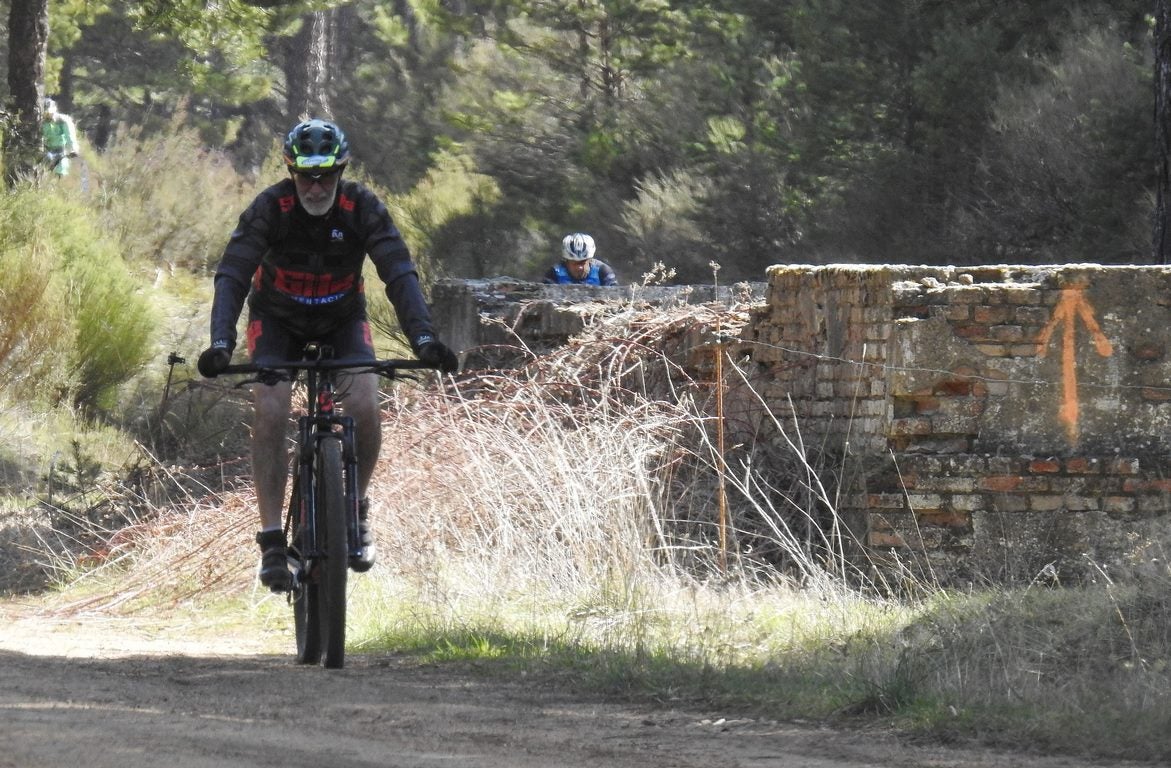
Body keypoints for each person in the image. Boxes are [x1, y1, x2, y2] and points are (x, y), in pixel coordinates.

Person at [196, 117, 459, 591]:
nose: (315, 187)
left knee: (364, 403)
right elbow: (233, 275)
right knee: (271, 408)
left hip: (341, 319)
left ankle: (355, 508)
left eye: (326, 176)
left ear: (341, 172)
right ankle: (273, 541)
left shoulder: (362, 206)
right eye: (305, 176)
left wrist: (423, 339)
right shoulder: (269, 208)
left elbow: (398, 272)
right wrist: (221, 342)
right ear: (290, 172)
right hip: (276, 321)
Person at [542, 233, 617, 286]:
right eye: (574, 263)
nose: (579, 267)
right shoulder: (555, 273)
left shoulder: (602, 271)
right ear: (566, 261)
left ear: (590, 259)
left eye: (583, 262)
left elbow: (615, 298)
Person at [41, 98, 79, 177]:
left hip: (61, 151)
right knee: (43, 169)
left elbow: (70, 135)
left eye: (49, 113)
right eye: (46, 114)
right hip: (46, 150)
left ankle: (58, 184)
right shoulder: (41, 122)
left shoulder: (63, 120)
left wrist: (73, 149)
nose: (48, 116)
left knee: (61, 170)